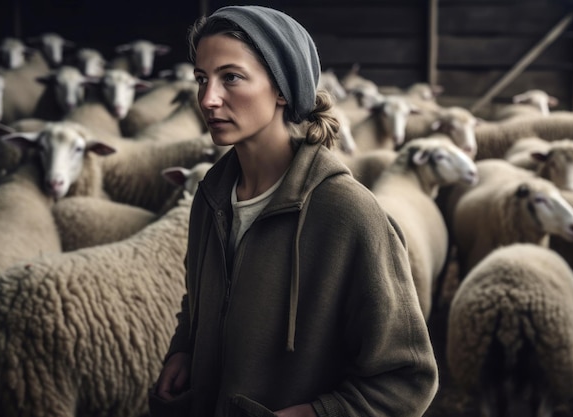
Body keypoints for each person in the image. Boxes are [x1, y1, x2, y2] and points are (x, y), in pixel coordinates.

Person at [151, 5, 439, 417]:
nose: (208, 99)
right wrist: (185, 351)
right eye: (202, 79)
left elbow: (407, 379)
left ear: (282, 89)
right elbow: (200, 300)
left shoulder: (348, 214)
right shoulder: (210, 197)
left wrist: (315, 414)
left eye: (230, 77)